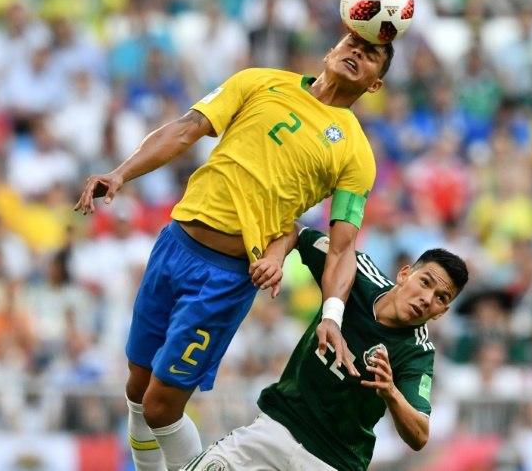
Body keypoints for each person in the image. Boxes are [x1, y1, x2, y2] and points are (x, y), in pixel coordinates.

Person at [74, 33, 394, 470]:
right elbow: (188, 128)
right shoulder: (260, 81)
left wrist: (332, 316)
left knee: (162, 406)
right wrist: (120, 173)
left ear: (376, 83)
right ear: (330, 50)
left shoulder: (356, 153)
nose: (357, 52)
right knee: (137, 391)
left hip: (225, 277)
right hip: (174, 245)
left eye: (372, 53)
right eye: (352, 43)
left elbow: (342, 247)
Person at [185, 223, 469, 470]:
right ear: (405, 273)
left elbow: (419, 435)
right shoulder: (356, 273)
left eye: (441, 298)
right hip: (277, 428)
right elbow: (295, 231)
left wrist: (391, 392)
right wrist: (274, 258)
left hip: (333, 461)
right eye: (425, 282)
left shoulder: (418, 352)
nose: (426, 298)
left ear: (442, 311)